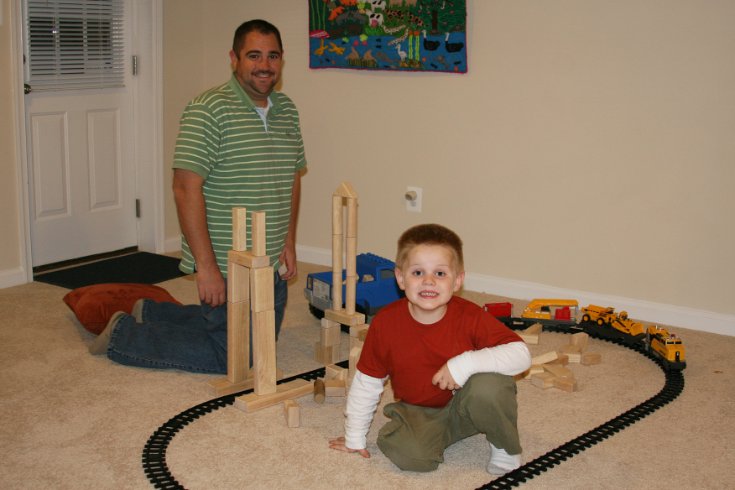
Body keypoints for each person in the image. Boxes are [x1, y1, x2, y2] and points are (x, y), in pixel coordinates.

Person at [89, 19, 307, 373]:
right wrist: (207, 269)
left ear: (282, 60)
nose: (264, 65)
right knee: (239, 357)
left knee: (263, 337)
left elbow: (292, 177)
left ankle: (155, 312)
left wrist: (289, 240)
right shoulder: (208, 109)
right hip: (226, 260)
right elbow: (184, 188)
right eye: (254, 56)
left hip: (269, 262)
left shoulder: (287, 110)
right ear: (234, 58)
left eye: (273, 56)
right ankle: (123, 334)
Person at [328, 224, 531, 475]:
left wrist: (463, 364)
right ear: (401, 278)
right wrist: (354, 437)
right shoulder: (385, 323)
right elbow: (367, 381)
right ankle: (438, 435)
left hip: (467, 402)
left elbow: (521, 355)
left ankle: (504, 446)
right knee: (408, 456)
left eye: (440, 273)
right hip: (419, 410)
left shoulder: (470, 315)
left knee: (491, 386)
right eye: (417, 272)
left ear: (457, 281)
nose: (428, 281)